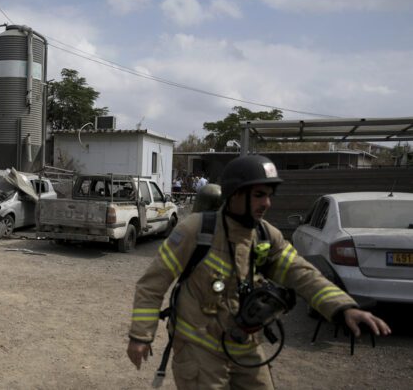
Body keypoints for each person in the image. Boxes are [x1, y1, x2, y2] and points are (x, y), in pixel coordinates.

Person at [126, 155, 390, 389]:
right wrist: (141, 336)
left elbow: (302, 273)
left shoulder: (266, 234)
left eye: (269, 195)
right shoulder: (195, 231)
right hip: (198, 350)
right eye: (259, 195)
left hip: (246, 345)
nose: (267, 203)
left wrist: (343, 307)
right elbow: (152, 285)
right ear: (235, 194)